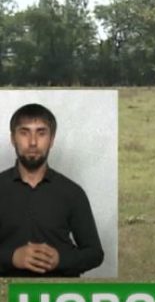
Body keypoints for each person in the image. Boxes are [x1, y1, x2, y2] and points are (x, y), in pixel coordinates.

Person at [0, 103, 104, 277]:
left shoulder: (73, 193)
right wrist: (11, 257)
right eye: (24, 132)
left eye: (41, 133)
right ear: (13, 138)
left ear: (52, 139)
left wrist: (60, 260)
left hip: (58, 296)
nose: (32, 142)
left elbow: (94, 254)